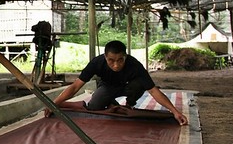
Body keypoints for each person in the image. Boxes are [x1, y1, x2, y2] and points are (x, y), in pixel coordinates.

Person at [44, 40, 188, 125]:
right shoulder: (96, 63)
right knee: (94, 106)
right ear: (105, 57)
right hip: (107, 86)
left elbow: (153, 91)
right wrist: (53, 104)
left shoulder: (135, 65)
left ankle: (129, 103)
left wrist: (174, 111)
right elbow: (75, 86)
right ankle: (111, 102)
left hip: (128, 87)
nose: (116, 65)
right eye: (111, 60)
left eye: (120, 60)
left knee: (140, 84)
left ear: (125, 57)